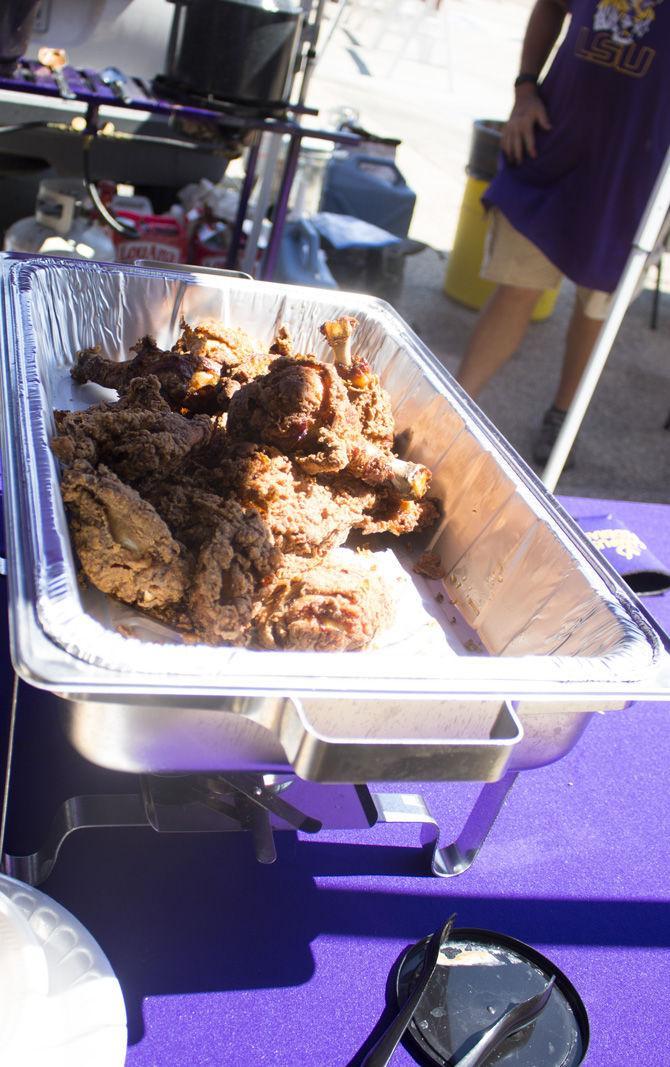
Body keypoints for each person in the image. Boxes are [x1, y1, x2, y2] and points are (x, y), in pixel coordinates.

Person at [455, 0, 670, 465]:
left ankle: (562, 416)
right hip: (556, 140)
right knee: (515, 288)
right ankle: (452, 406)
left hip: (641, 177)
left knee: (598, 305)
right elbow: (550, 6)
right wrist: (525, 91)